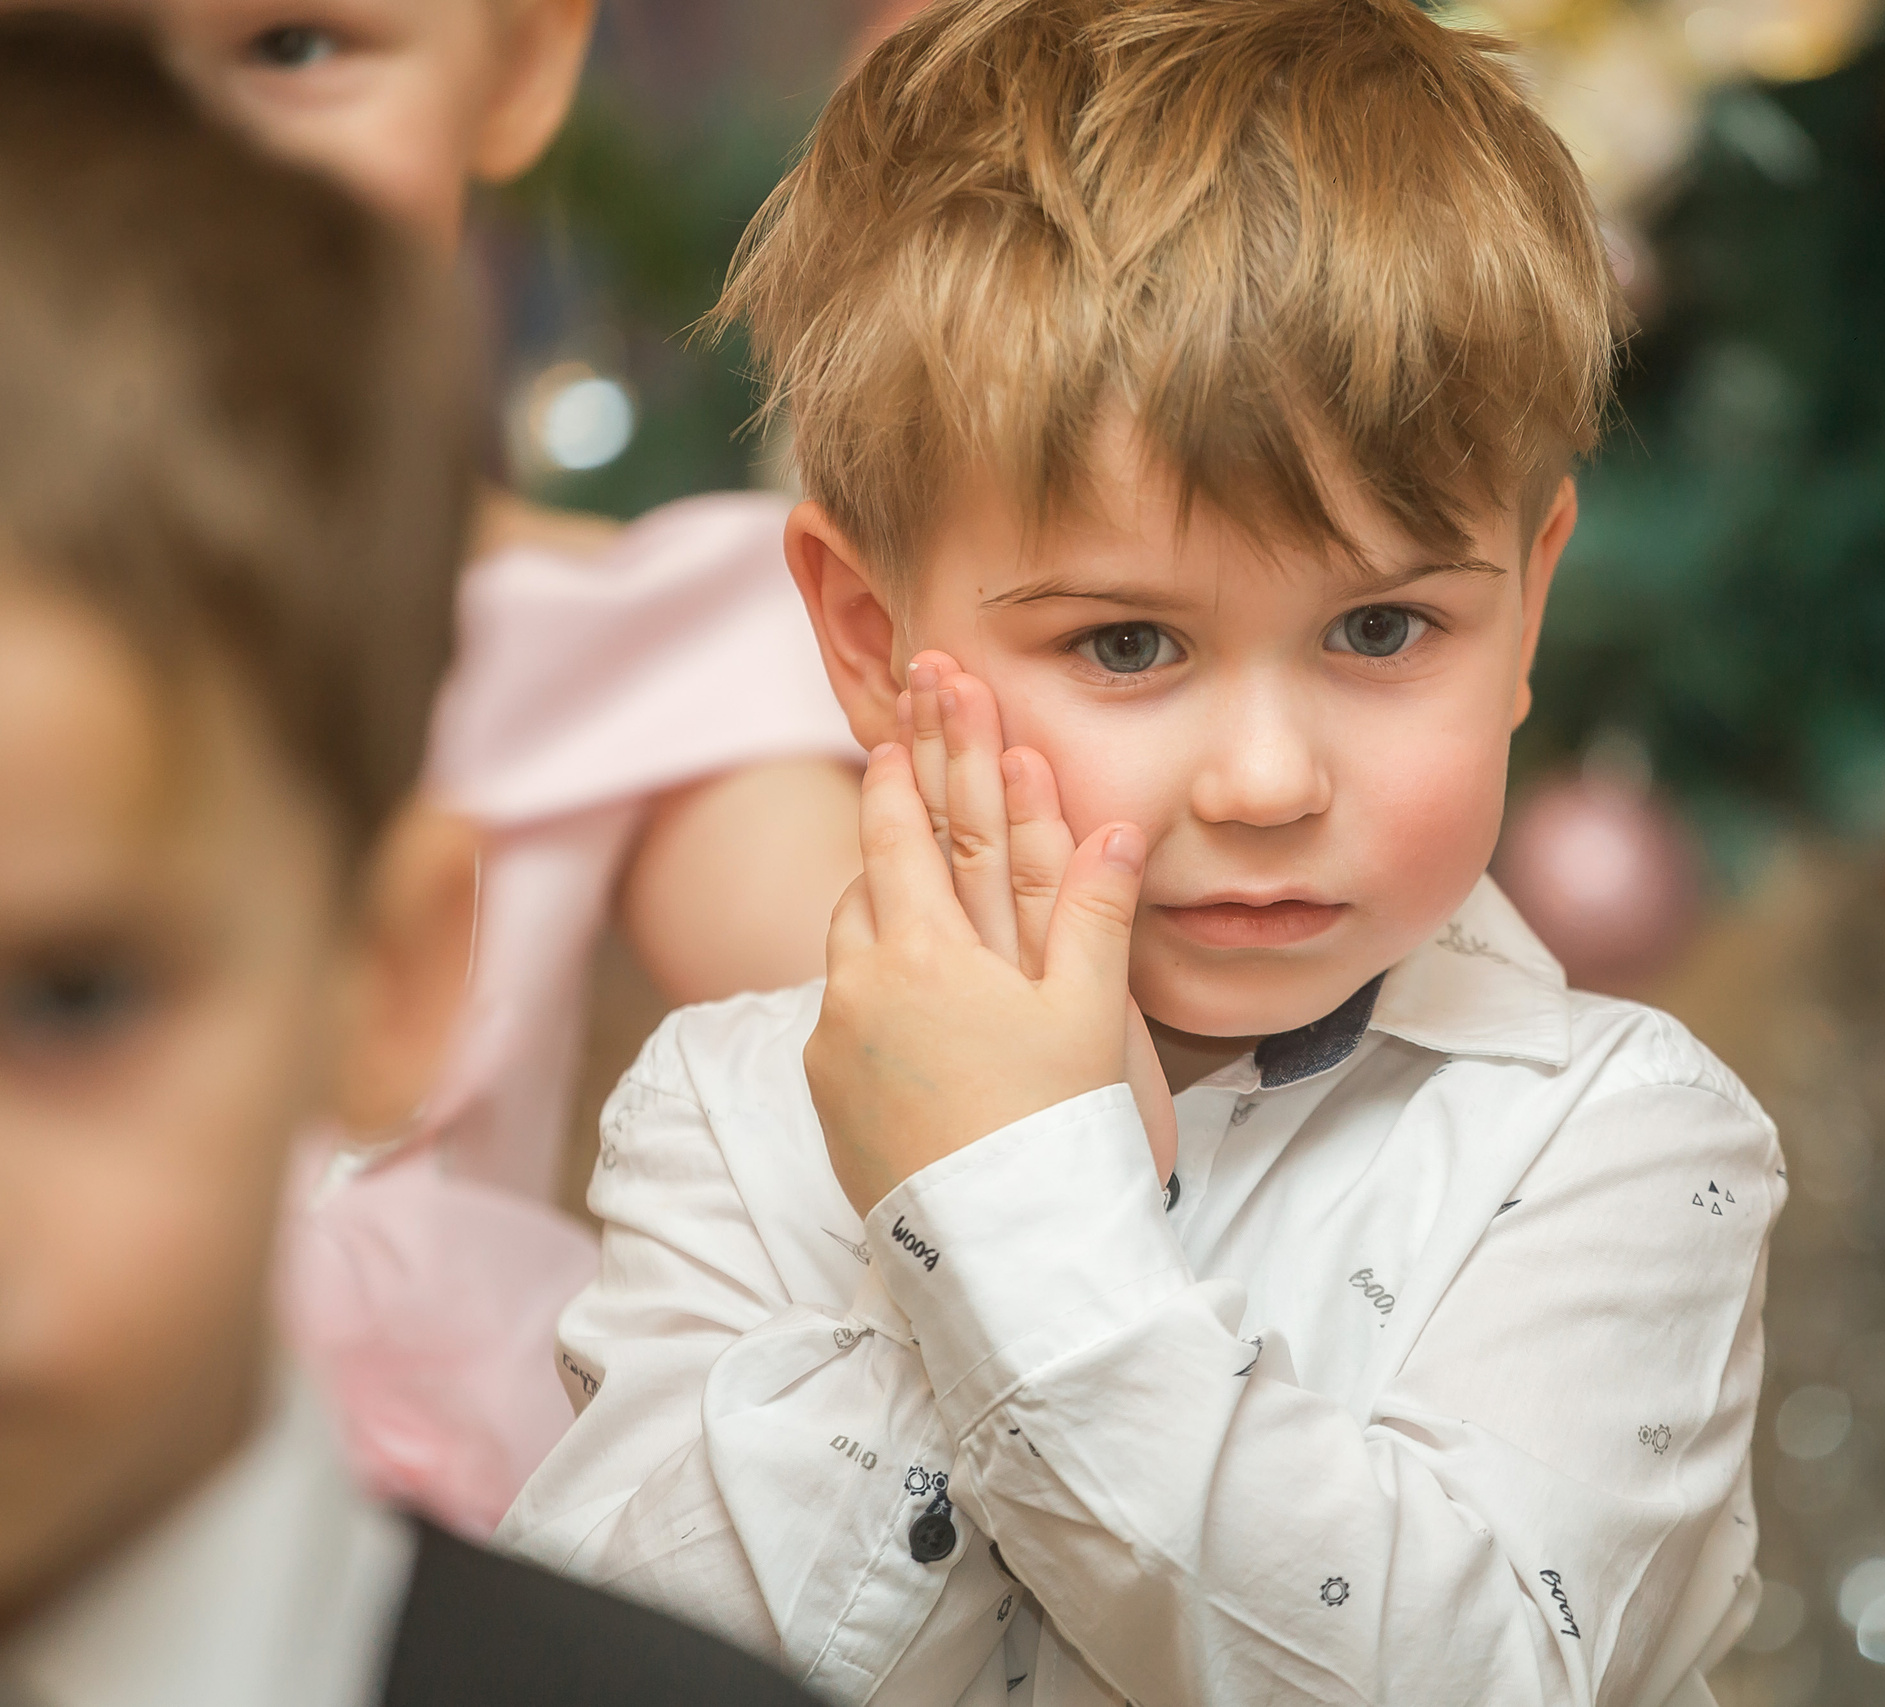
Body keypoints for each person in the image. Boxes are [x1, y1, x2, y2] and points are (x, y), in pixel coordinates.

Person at [501, 2, 1786, 1704]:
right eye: (1126, 646)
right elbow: (627, 1681)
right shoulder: (727, 1126)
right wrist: (942, 1191)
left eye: (1385, 629)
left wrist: (1019, 1221)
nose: (1263, 780)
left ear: (1528, 596)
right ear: (875, 642)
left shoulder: (1621, 1142)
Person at [0, 16, 820, 1705]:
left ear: (382, 976)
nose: (189, 149)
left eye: (72, 1002)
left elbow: (924, 1035)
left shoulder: (639, 658)